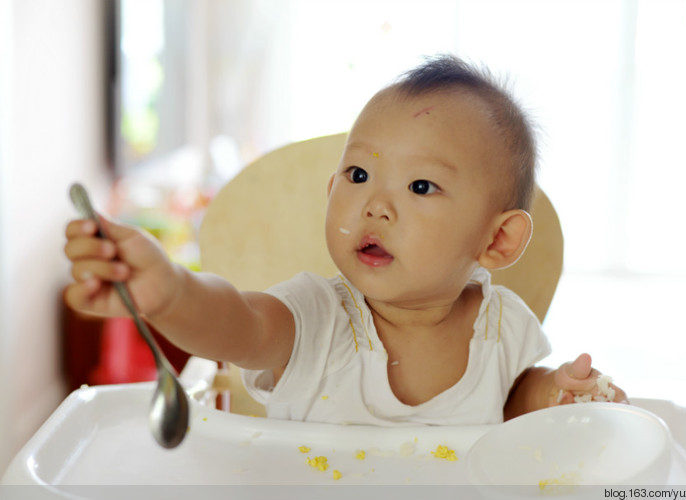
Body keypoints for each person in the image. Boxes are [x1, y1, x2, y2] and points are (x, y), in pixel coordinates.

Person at [64, 54, 627, 426]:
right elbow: (236, 321)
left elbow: (511, 401)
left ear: (497, 239)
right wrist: (171, 293)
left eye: (421, 186)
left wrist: (553, 394)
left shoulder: (500, 326)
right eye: (358, 176)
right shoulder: (314, 322)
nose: (374, 205)